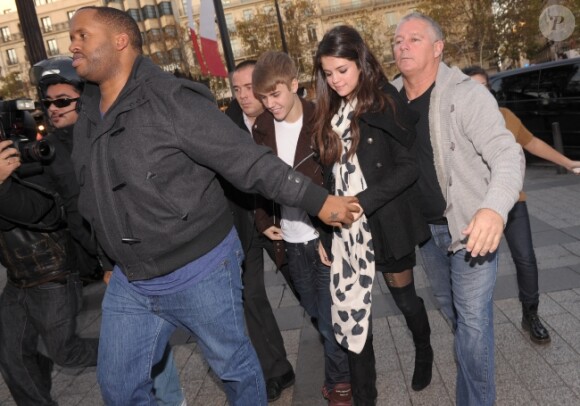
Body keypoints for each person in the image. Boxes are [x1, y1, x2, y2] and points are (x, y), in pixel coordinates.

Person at [67, 6, 359, 405]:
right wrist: (106, 259)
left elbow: (247, 160)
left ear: (120, 41)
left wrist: (319, 200)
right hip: (130, 281)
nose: (72, 45)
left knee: (233, 368)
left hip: (198, 267)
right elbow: (92, 191)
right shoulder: (87, 110)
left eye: (82, 35)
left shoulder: (172, 100)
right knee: (118, 387)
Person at [30, 55, 186, 406]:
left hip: (124, 259)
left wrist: (109, 262)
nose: (53, 109)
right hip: (105, 264)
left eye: (62, 101)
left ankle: (172, 401)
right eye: (47, 103)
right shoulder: (52, 149)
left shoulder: (94, 135)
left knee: (146, 339)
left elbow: (93, 207)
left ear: (82, 98)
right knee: (142, 341)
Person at [392, 13, 525, 405]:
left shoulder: (467, 95)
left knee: (470, 322)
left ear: (437, 48)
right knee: (455, 313)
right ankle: (474, 361)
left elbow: (507, 153)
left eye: (414, 39)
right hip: (426, 232)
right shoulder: (390, 99)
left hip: (470, 229)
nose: (402, 46)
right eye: (398, 40)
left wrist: (494, 209)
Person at [313, 26, 434, 405]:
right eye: (328, 74)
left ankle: (424, 346)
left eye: (342, 71)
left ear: (361, 63)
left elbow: (408, 167)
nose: (335, 81)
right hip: (345, 228)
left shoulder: (385, 102)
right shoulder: (329, 111)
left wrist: (364, 200)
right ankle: (366, 396)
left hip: (385, 221)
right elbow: (326, 177)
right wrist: (326, 229)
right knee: (353, 316)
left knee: (405, 299)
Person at [252, 51, 352, 405]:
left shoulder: (320, 120)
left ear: (294, 85)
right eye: (264, 98)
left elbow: (338, 182)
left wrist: (330, 234)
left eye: (276, 94)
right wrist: (264, 222)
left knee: (328, 319)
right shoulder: (262, 129)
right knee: (315, 313)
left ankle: (341, 384)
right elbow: (256, 180)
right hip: (291, 243)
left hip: (321, 238)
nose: (271, 104)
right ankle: (346, 369)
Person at [463, 65, 580, 344]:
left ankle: (531, 314)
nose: (481, 93)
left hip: (512, 201)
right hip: (476, 208)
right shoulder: (460, 122)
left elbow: (532, 143)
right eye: (473, 87)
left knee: (526, 259)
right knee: (475, 269)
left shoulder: (504, 117)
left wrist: (568, 162)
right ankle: (474, 324)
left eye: (485, 87)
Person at [0, 116, 99, 406]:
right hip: (19, 281)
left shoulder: (28, 157)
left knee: (66, 353)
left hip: (51, 277)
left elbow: (39, 211)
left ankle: (139, 350)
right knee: (11, 354)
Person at [224, 60, 296, 402]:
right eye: (236, 89)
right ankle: (276, 370)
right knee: (251, 299)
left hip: (284, 221)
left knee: (305, 290)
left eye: (248, 87)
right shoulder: (224, 125)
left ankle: (340, 361)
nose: (242, 96)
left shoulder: (279, 119)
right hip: (243, 225)